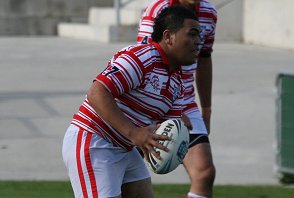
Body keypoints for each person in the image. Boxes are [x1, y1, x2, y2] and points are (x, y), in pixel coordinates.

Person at [62, 5, 201, 198]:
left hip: (124, 147)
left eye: (199, 36)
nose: (198, 42)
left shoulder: (177, 81)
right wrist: (134, 133)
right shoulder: (142, 57)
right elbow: (97, 92)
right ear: (169, 36)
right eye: (192, 34)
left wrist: (174, 136)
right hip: (94, 140)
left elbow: (164, 128)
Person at [137, 0, 217, 197]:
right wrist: (167, 112)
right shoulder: (158, 9)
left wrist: (206, 109)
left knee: (204, 172)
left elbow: (204, 58)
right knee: (128, 180)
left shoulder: (209, 13)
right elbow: (145, 58)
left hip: (185, 103)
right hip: (150, 102)